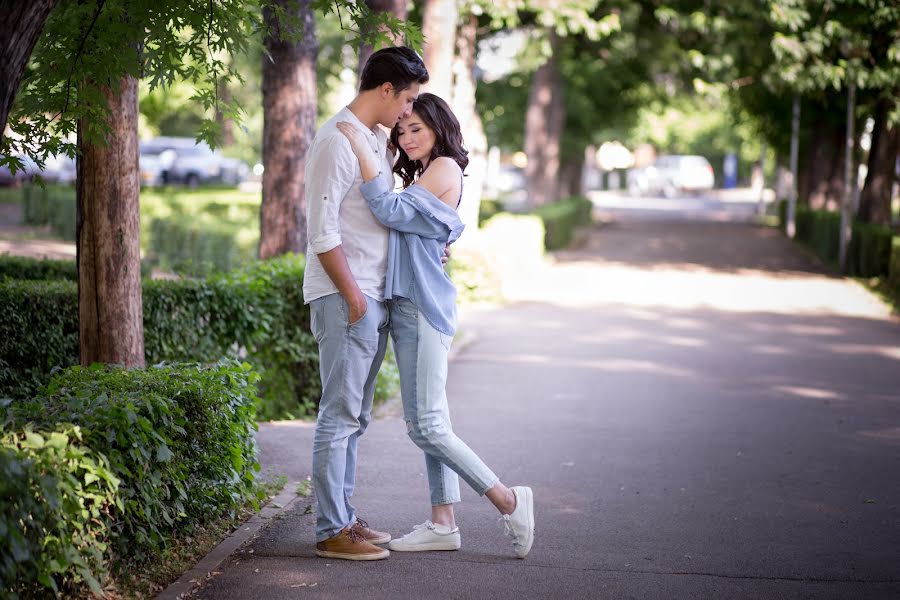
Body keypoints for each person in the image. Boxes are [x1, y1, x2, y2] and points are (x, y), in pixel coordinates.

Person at [336, 92, 535, 559]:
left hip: (424, 309)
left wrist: (362, 148)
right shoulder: (426, 174)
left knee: (425, 425)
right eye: (401, 132)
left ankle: (507, 499)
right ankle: (443, 523)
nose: (405, 139)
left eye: (415, 130)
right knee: (432, 421)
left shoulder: (444, 167)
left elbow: (387, 211)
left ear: (439, 129)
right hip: (409, 307)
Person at [303, 46, 429, 561]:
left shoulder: (374, 140)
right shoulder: (336, 141)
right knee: (338, 413)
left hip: (370, 296)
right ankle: (331, 530)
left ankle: (345, 519)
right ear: (386, 91)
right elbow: (321, 231)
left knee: (355, 415)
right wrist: (354, 297)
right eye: (408, 99)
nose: (409, 111)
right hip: (344, 297)